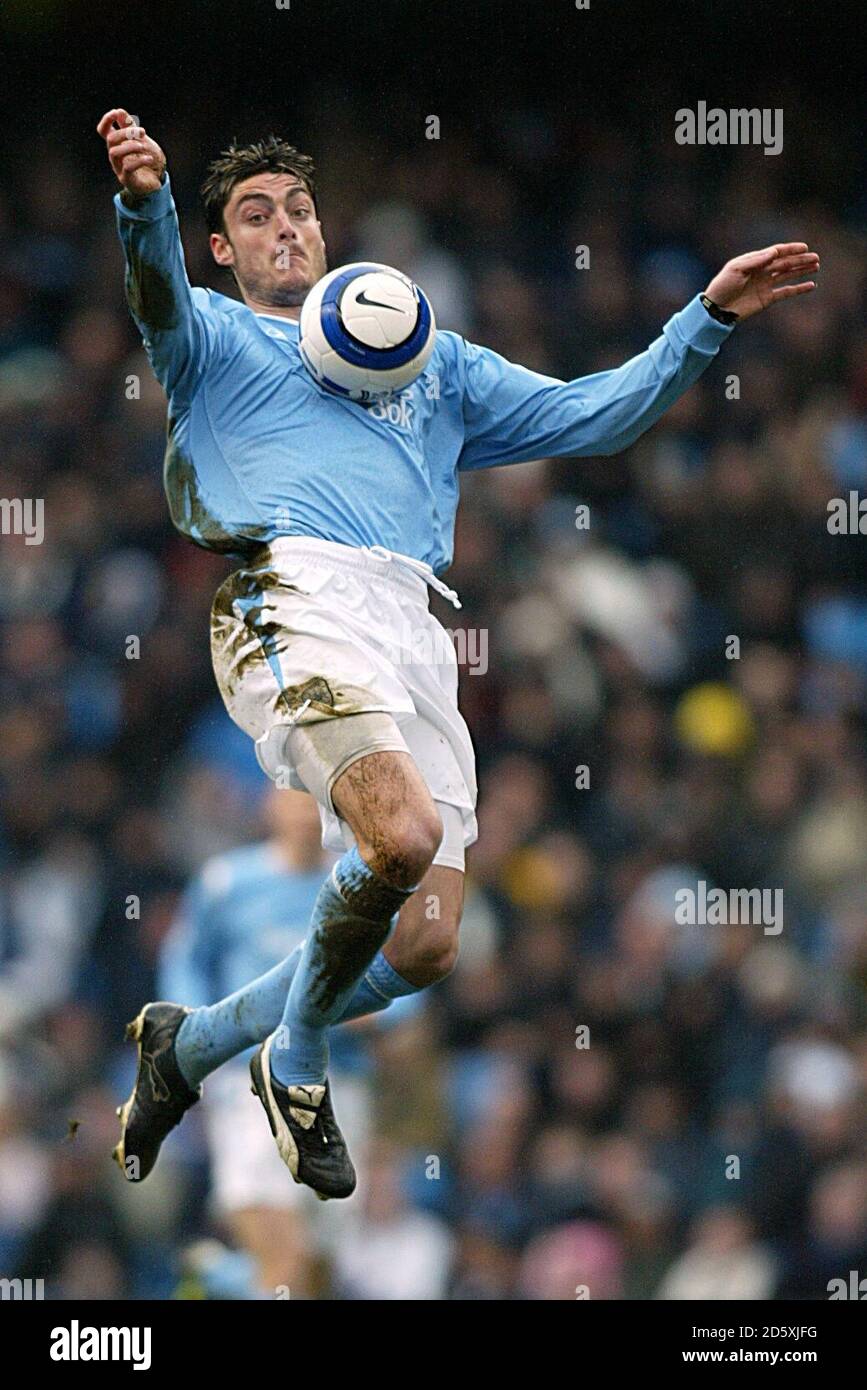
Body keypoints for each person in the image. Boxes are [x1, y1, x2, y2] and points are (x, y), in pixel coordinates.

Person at [98, 106, 819, 1199]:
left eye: (299, 207)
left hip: (412, 624)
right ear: (222, 249)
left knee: (428, 943)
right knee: (400, 836)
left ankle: (190, 1046)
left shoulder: (430, 363)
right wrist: (143, 204)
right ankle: (291, 1060)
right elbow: (150, 292)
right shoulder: (210, 337)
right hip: (287, 596)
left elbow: (595, 415)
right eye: (255, 216)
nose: (285, 227)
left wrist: (706, 317)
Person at [158, 789, 390, 1295]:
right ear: (270, 807)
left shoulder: (362, 891)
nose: (306, 816)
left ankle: (219, 1278)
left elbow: (400, 987)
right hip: (251, 1080)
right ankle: (230, 1276)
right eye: (295, 800)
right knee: (281, 1248)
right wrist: (198, 1028)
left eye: (317, 804)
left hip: (338, 1085)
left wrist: (359, 1014)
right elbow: (184, 960)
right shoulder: (227, 882)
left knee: (320, 1264)